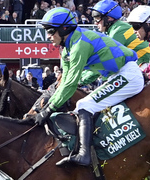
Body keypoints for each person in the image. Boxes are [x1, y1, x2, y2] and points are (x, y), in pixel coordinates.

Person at [34, 7, 143, 166]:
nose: (48, 36)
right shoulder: (66, 50)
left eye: (50, 31)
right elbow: (68, 81)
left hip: (128, 75)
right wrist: (51, 102)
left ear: (65, 29)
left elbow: (70, 84)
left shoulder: (79, 44)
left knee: (84, 104)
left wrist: (49, 109)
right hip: (117, 75)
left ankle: (84, 155)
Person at [90, 0, 150, 71]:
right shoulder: (114, 29)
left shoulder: (118, 31)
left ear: (109, 18)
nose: (96, 23)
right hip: (139, 63)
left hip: (145, 64)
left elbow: (106, 59)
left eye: (98, 19)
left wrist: (84, 78)